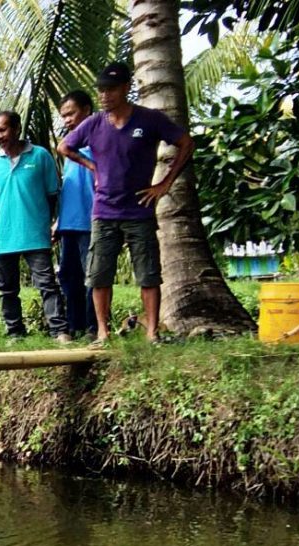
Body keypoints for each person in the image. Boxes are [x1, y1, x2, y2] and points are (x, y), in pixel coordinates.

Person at [57, 62, 195, 344]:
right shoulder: (94, 123)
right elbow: (64, 147)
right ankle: (103, 333)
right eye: (101, 90)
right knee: (98, 274)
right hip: (104, 211)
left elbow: (185, 143)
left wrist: (164, 183)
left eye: (110, 89)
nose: (104, 95)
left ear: (125, 88)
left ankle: (152, 333)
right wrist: (91, 165)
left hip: (139, 210)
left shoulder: (149, 119)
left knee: (148, 273)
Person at [0, 110, 71, 342]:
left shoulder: (40, 156)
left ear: (17, 128)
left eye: (3, 130)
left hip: (35, 234)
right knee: (7, 290)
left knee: (47, 286)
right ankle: (15, 333)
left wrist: (51, 223)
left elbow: (53, 194)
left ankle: (59, 331)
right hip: (2, 237)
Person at [55, 89, 97, 337]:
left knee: (92, 276)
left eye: (71, 113)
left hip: (92, 221)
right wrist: (58, 222)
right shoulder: (69, 146)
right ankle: (75, 325)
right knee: (69, 277)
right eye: (64, 116)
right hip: (68, 224)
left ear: (87, 110)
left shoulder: (101, 142)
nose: (68, 120)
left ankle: (94, 326)